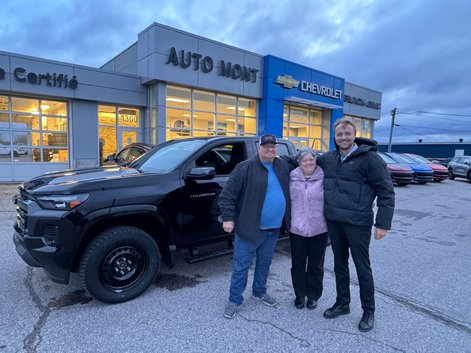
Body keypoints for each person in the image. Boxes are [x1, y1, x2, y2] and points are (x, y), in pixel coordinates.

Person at [317, 118, 395, 332]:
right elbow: (304, 161)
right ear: (334, 136)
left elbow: (386, 191)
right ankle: (343, 304)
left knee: (362, 267)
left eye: (347, 134)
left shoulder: (371, 159)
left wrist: (383, 223)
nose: (343, 138)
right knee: (339, 265)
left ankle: (369, 311)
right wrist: (277, 158)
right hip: (335, 220)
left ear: (354, 135)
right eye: (339, 134)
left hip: (358, 223)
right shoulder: (329, 158)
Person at [219, 133, 291, 319]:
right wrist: (228, 218)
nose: (270, 149)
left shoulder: (281, 164)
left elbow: (302, 162)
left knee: (265, 263)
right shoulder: (245, 167)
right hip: (250, 229)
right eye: (266, 146)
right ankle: (235, 300)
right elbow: (228, 195)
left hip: (273, 229)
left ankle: (259, 292)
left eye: (273, 146)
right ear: (259, 148)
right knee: (241, 266)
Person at [289, 148, 328, 310]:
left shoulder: (323, 177)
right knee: (298, 264)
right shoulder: (292, 177)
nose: (308, 163)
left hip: (319, 228)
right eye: (304, 160)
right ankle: (299, 294)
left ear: (315, 161)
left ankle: (313, 295)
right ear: (299, 162)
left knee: (316, 265)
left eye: (311, 160)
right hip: (296, 229)